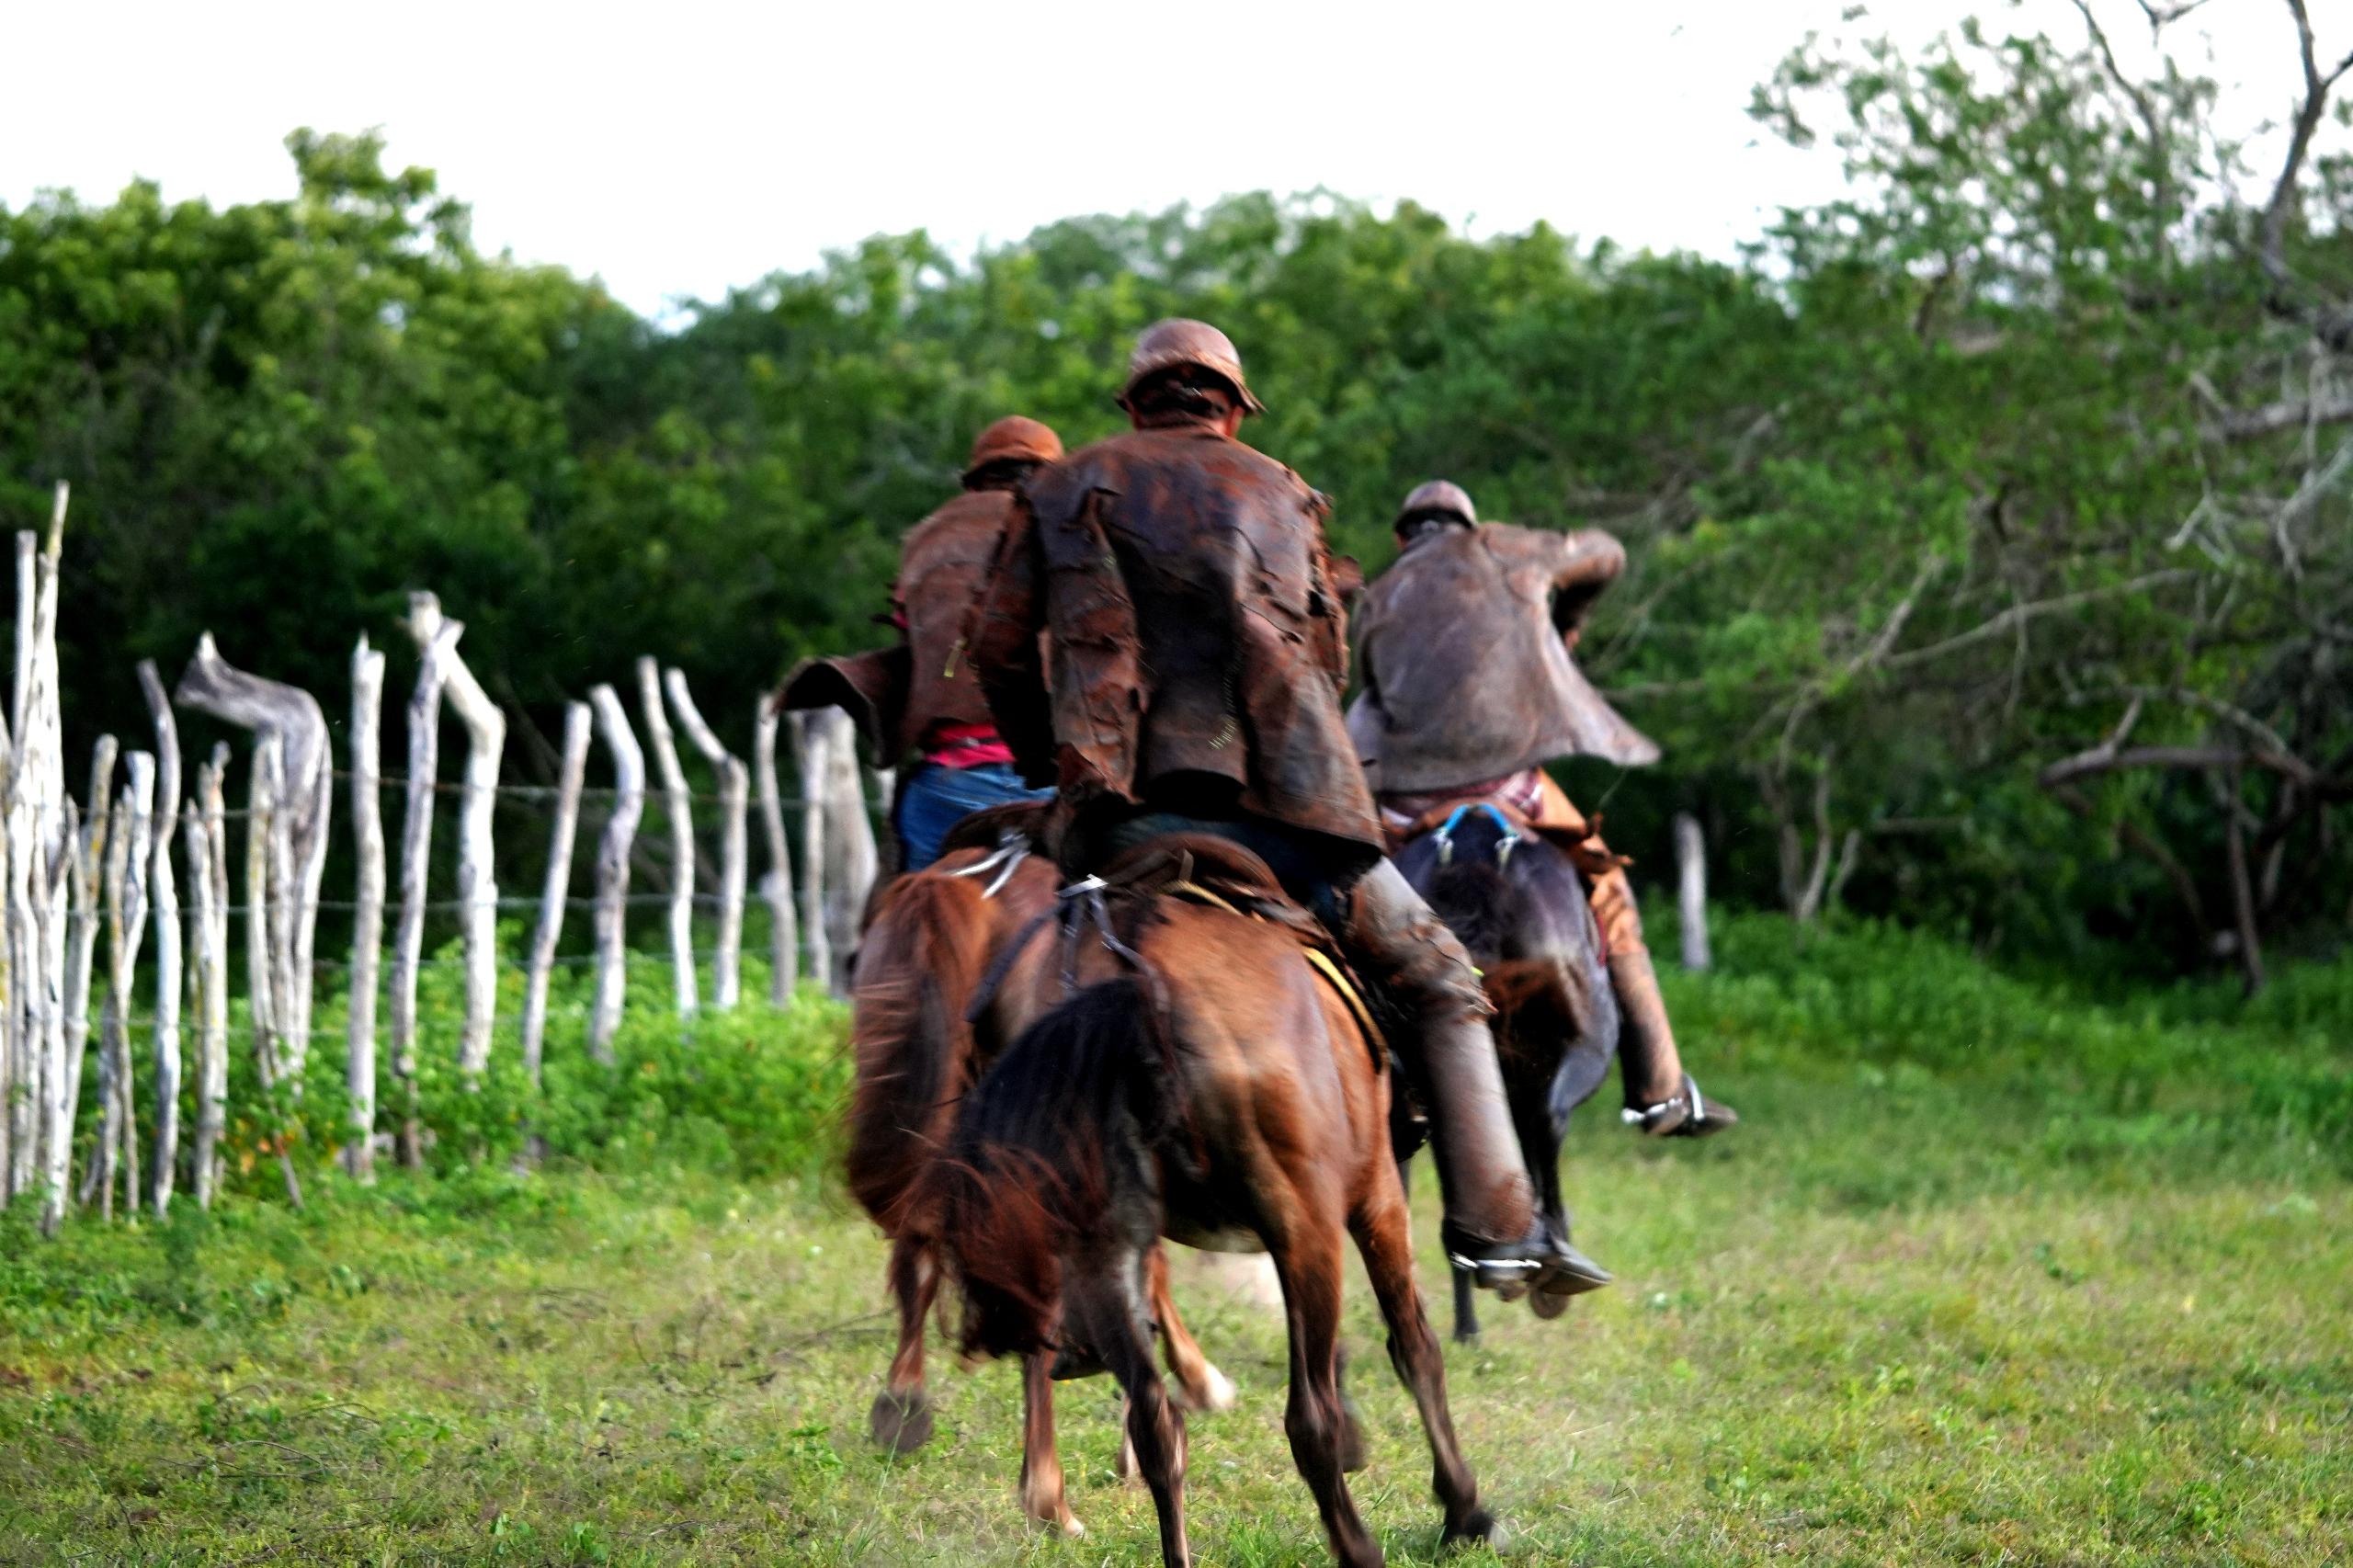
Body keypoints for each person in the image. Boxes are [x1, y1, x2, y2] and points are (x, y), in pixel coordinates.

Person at [964, 319, 1603, 1296]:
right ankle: (1501, 1227)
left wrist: (1045, 763)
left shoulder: (1059, 484)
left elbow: (1000, 648)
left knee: (1002, 981)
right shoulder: (1285, 489)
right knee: (1438, 976)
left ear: (1135, 403)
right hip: (1291, 815)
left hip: (1115, 816)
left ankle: (1004, 1224)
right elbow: (1328, 654)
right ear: (1230, 404)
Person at [1347, 480, 1738, 1136]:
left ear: (1400, 538)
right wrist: (1567, 621)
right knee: (1608, 885)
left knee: (1347, 907)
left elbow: (1373, 692)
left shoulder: (1378, 596)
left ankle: (1366, 1075)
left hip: (1406, 795)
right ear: (1470, 525)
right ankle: (1661, 1089)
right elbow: (1606, 553)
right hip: (1508, 785)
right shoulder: (1507, 550)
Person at [780, 415, 1063, 871]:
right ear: (1054, 477)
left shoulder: (929, 538)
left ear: (975, 481)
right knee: (1114, 917)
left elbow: (919, 642)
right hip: (1054, 789)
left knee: (902, 922)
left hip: (951, 784)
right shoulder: (1075, 535)